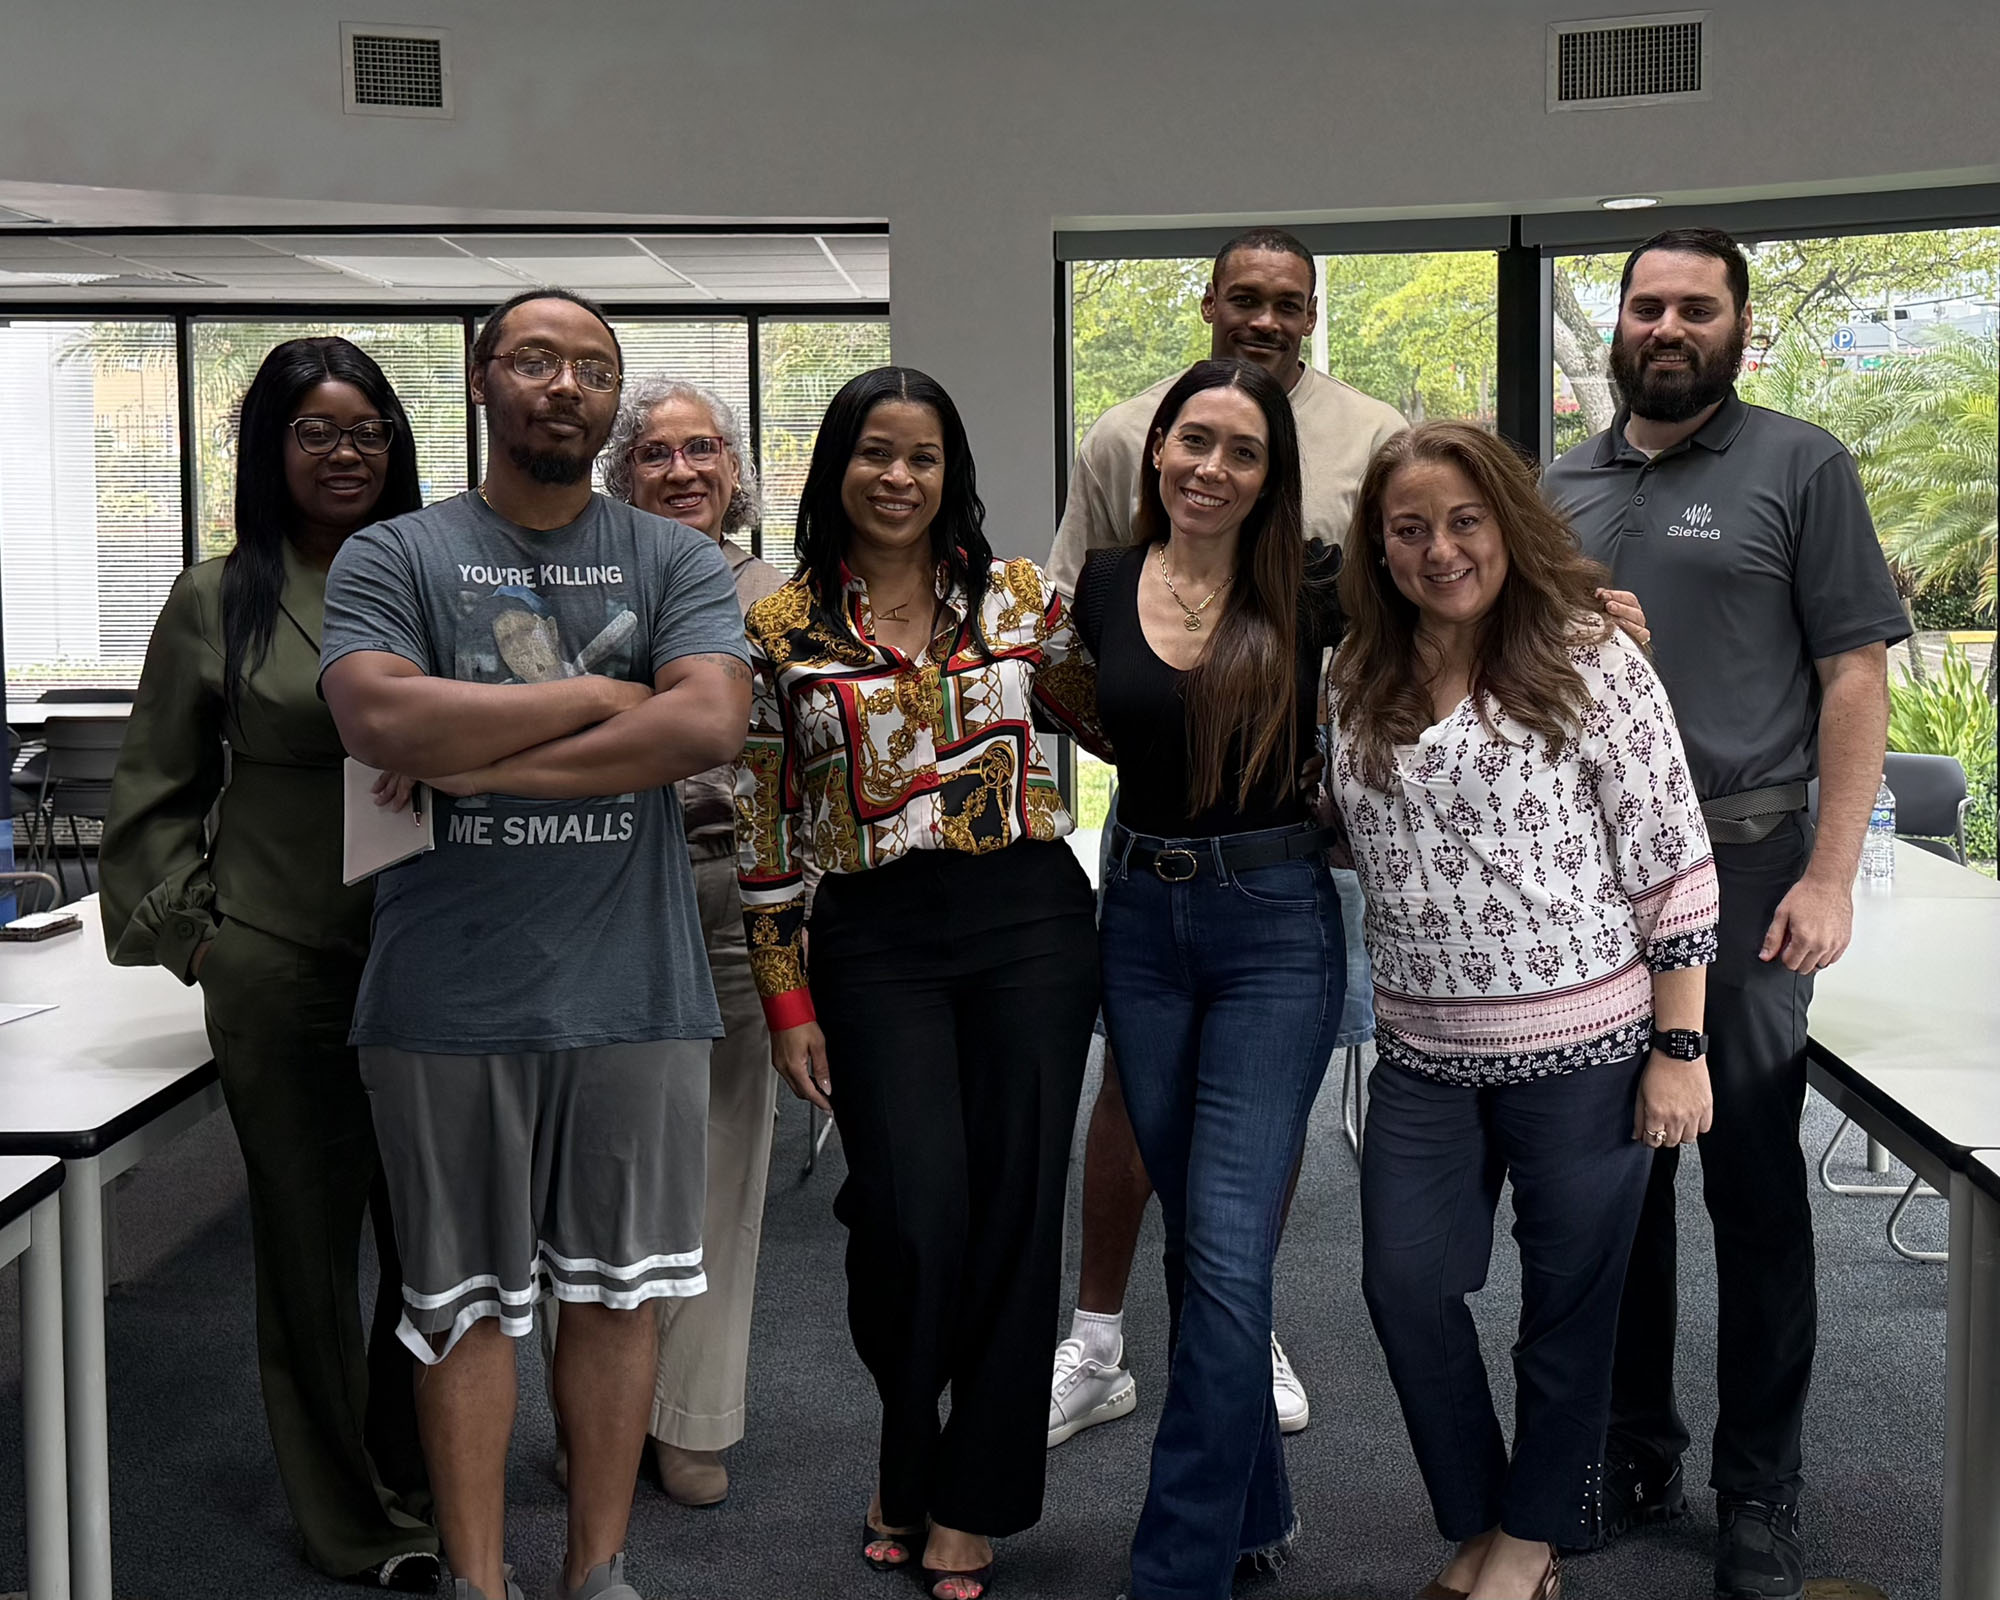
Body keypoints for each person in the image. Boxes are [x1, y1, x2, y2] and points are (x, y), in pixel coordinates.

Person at [319, 288, 752, 1600]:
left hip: (638, 990)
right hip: (443, 998)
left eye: (594, 369)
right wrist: (584, 701)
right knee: (459, 1304)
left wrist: (485, 759)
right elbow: (379, 722)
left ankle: (597, 1569)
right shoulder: (392, 557)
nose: (567, 386)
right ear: (482, 380)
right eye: (539, 361)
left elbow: (703, 730)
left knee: (621, 1295)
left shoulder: (675, 561)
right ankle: (478, 1579)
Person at [1542, 227, 1908, 1600]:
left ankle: (1761, 1487)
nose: (1668, 326)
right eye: (1647, 306)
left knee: (1751, 1184)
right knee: (1613, 1182)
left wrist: (1826, 872)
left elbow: (1853, 679)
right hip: (1588, 884)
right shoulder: (1555, 484)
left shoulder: (1799, 465)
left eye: (1697, 306)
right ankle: (1635, 1446)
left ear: (1739, 326)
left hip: (1750, 866)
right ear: (1621, 325)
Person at [1330, 422, 1720, 1600]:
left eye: (1463, 520)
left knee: (1567, 1306)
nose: (1439, 548)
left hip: (1589, 1053)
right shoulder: (1350, 671)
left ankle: (1524, 1541)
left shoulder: (1590, 655)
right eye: (1409, 528)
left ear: (1505, 523)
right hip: (1419, 1053)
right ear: (1379, 545)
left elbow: (1671, 863)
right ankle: (1477, 1513)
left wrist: (1677, 1046)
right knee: (1403, 1285)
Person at [735, 366, 1104, 1600]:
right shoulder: (780, 628)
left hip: (1029, 920)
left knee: (1013, 1207)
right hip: (875, 938)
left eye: (924, 457)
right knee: (906, 1213)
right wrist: (786, 1000)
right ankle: (907, 1443)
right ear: (836, 465)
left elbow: (1120, 714)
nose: (899, 477)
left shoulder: (1014, 600)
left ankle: (968, 1497)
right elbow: (768, 823)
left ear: (952, 476)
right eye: (875, 453)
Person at [1046, 224, 1405, 1448]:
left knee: (1259, 1121)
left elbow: (1427, 606)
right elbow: (1063, 646)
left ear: (1311, 311)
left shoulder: (1373, 437)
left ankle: (1233, 1327)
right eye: (1243, 296)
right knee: (1131, 1105)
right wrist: (1138, 739)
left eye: (1287, 301)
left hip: (1281, 870)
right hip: (1145, 864)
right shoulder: (1119, 431)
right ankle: (1095, 1340)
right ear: (1206, 300)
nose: (1264, 317)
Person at [100, 337, 442, 1593]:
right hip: (283, 960)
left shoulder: (435, 574)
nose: (346, 453)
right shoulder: (217, 596)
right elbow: (153, 793)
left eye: (367, 430)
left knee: (433, 1247)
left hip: (433, 958)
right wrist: (204, 939)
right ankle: (350, 1520)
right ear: (270, 450)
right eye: (315, 431)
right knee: (305, 1252)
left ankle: (421, 1475)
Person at [1067, 357, 1346, 1600]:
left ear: (1269, 476)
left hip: (1272, 923)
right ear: (1156, 450)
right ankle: (1252, 1507)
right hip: (1136, 915)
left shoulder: (1316, 585)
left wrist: (1580, 606)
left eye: (1241, 450)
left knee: (1228, 1253)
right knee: (1198, 1240)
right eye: (1193, 440)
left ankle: (1172, 1568)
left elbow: (1471, 595)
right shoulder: (1104, 583)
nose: (1210, 468)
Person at [539, 377, 785, 1510]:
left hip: (730, 897)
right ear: (618, 472)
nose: (680, 470)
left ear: (733, 471)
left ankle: (689, 1417)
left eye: (702, 450)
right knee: (590, 1173)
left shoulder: (779, 598)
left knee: (720, 1164)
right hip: (592, 896)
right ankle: (593, 1414)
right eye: (654, 455)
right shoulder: (583, 580)